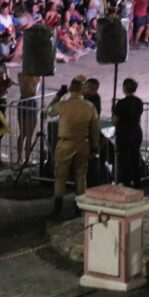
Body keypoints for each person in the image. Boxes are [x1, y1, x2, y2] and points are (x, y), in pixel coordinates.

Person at [46, 78, 100, 217]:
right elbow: (94, 129)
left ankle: (58, 208)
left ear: (70, 90)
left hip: (65, 143)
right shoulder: (89, 106)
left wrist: (58, 95)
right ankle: (79, 208)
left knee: (60, 176)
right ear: (82, 90)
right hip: (83, 143)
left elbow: (49, 111)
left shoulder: (63, 105)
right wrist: (94, 147)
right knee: (81, 176)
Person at [112, 78, 144, 187]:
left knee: (124, 159)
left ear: (124, 88)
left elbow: (115, 120)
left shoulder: (121, 103)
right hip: (136, 131)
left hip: (124, 133)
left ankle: (126, 182)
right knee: (135, 156)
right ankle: (137, 182)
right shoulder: (138, 102)